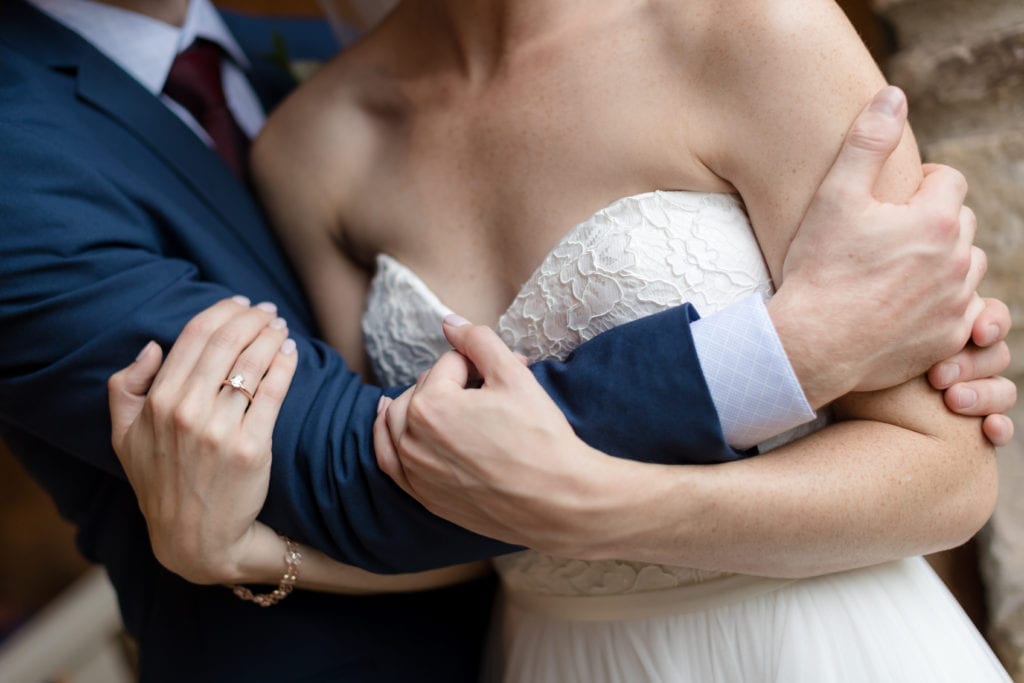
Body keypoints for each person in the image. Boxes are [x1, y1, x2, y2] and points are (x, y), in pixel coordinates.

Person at [0, 0, 1010, 681]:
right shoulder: (316, 140)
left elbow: (947, 477)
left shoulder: (755, 28)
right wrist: (239, 549)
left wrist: (628, 506)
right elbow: (418, 498)